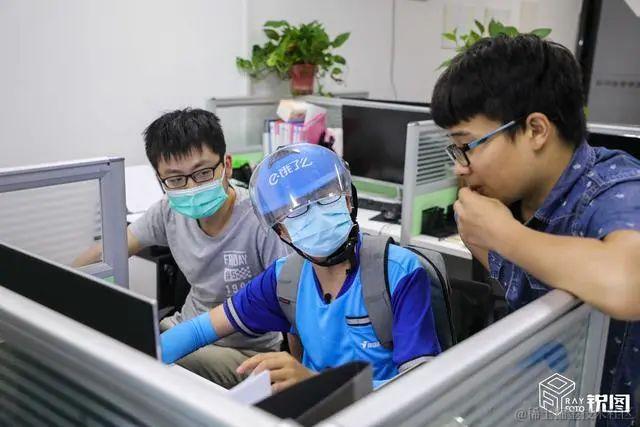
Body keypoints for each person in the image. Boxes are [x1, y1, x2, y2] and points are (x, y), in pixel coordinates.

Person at [431, 34, 640, 425]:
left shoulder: (614, 188)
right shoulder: (515, 199)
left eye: (468, 145)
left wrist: (502, 234)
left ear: (536, 130)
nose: (460, 166)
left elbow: (629, 282)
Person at [160, 143, 441, 391]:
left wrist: (315, 383)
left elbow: (421, 385)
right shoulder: (285, 278)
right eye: (296, 212)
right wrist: (147, 354)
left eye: (325, 199)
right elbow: (199, 331)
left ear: (347, 200)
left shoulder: (398, 271)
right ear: (281, 230)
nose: (315, 215)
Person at [73, 108, 288, 388]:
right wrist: (52, 284)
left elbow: (292, 301)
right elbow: (109, 252)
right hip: (184, 328)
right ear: (160, 180)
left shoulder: (261, 220)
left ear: (227, 165)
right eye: (175, 179)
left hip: (245, 351)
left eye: (203, 173)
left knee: (137, 357)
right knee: (116, 344)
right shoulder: (168, 212)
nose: (191, 187)